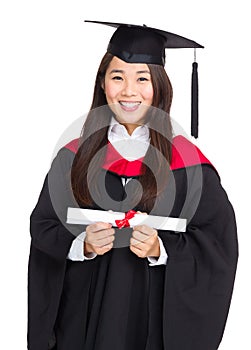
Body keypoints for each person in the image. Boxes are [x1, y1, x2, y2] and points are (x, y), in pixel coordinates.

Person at [28, 21, 238, 350]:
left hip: (150, 325)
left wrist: (162, 250)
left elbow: (217, 245)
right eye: (117, 77)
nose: (129, 91)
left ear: (159, 86)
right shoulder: (74, 159)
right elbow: (43, 228)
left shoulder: (187, 163)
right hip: (84, 327)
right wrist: (81, 245)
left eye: (142, 78)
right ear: (102, 83)